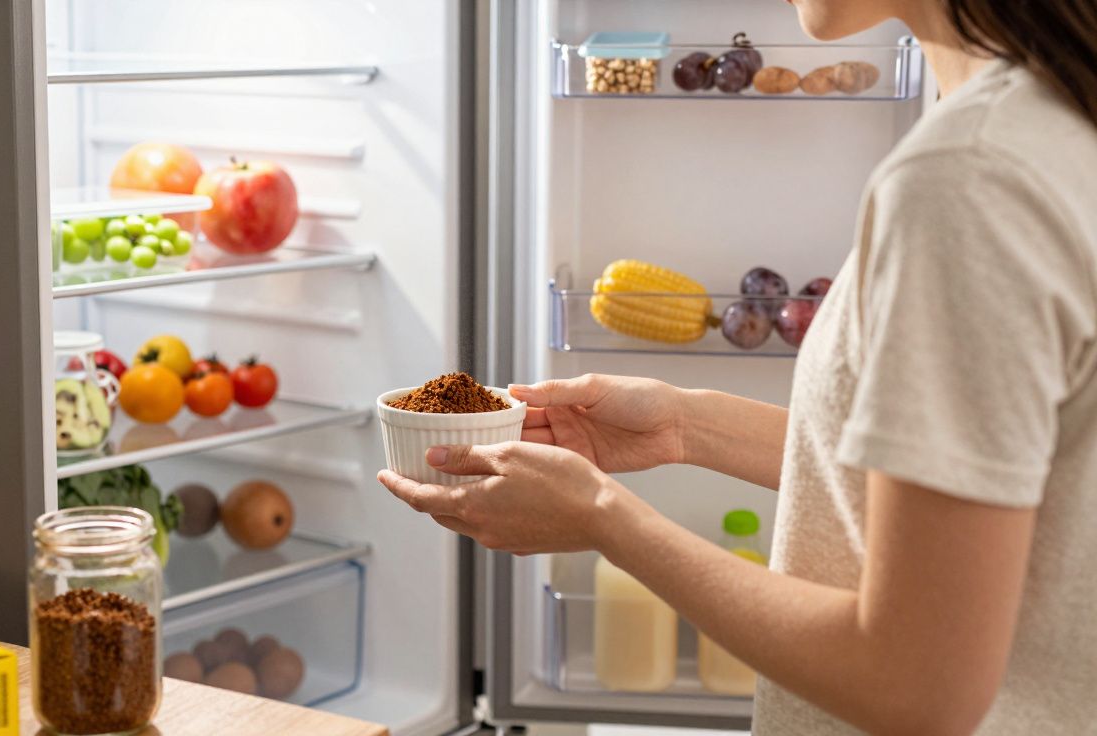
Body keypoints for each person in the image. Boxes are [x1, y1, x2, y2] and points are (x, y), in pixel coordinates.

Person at [378, 0, 1097, 733]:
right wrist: (687, 427)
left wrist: (604, 520)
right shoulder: (1053, 119)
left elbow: (914, 683)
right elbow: (989, 483)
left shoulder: (967, 180)